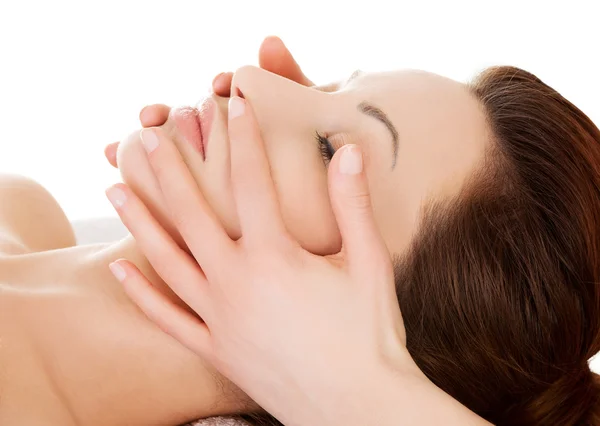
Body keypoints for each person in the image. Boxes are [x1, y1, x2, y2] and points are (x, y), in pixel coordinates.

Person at [0, 34, 595, 425]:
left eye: (328, 149)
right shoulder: (22, 207)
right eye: (326, 88)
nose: (252, 81)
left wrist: (362, 390)